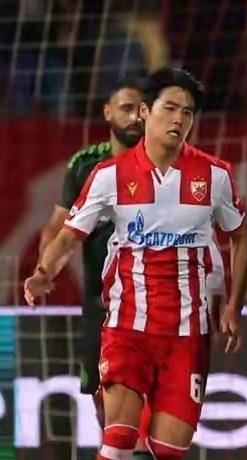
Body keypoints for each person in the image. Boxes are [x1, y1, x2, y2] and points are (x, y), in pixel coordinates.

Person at [25, 68, 247, 460]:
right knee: (117, 441)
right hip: (127, 327)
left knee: (166, 451)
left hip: (187, 335)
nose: (179, 119)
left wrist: (234, 305)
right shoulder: (108, 175)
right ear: (146, 112)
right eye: (170, 108)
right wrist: (43, 273)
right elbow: (67, 236)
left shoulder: (215, 176)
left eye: (187, 112)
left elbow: (242, 238)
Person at [36, 76, 145, 427]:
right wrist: (44, 270)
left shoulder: (164, 163)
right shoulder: (85, 165)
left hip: (151, 301)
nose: (135, 117)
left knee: (148, 400)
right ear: (107, 111)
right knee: (103, 399)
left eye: (141, 110)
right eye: (126, 109)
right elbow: (58, 227)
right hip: (101, 303)